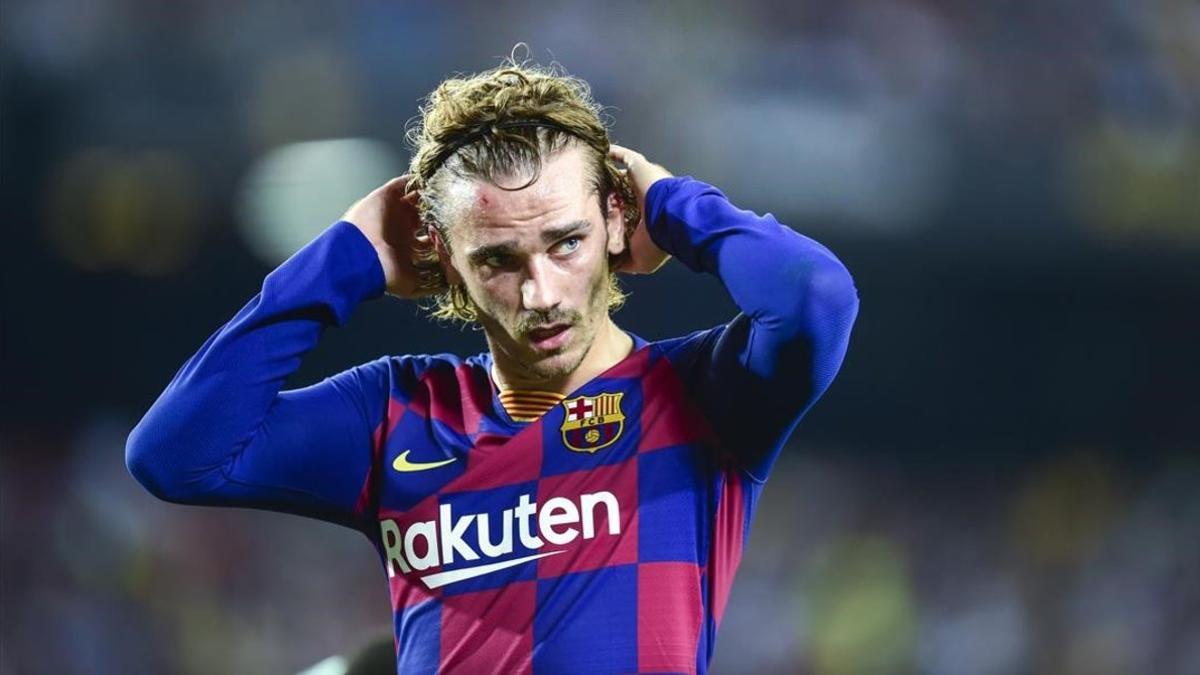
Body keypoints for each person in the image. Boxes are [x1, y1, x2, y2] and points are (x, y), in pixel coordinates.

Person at [126, 56, 860, 674]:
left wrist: (670, 202)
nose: (541, 293)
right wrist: (345, 258)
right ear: (442, 258)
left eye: (565, 242)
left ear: (613, 218)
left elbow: (814, 296)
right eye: (499, 259)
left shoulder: (698, 398)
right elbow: (176, 455)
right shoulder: (397, 412)